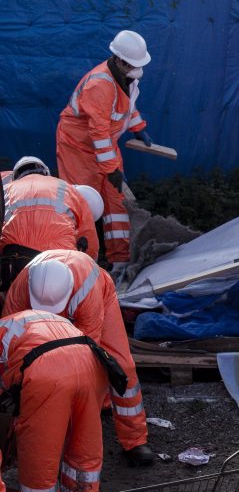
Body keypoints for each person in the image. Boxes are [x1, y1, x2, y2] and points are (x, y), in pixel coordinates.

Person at [4, 251, 155, 465]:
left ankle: (135, 439)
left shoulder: (88, 290)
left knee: (121, 364)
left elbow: (85, 356)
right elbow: (8, 345)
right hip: (42, 317)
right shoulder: (20, 290)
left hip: (97, 301)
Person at [56, 30, 153, 272]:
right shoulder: (100, 85)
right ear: (119, 60)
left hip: (104, 146)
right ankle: (77, 264)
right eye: (132, 65)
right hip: (77, 148)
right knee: (80, 203)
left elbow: (126, 108)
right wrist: (112, 170)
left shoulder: (127, 76)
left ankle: (119, 261)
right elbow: (97, 133)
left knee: (117, 204)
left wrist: (138, 127)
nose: (136, 70)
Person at [0, 309, 110, 490]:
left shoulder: (6, 330)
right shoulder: (26, 321)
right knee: (84, 441)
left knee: (41, 449)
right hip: (93, 363)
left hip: (47, 372)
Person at [0, 156, 101, 287]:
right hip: (62, 260)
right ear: (46, 173)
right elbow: (88, 236)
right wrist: (89, 268)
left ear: (15, 176)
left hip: (16, 261)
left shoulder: (6, 190)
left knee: (15, 300)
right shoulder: (68, 189)